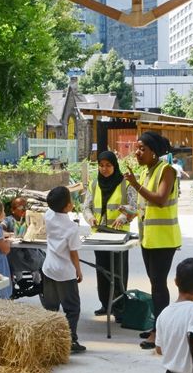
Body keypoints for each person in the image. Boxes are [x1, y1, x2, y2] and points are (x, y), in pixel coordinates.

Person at [124, 132, 182, 350]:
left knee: (159, 285)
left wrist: (135, 185)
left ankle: (160, 332)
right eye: (137, 148)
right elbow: (145, 207)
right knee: (155, 284)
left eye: (142, 149)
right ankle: (158, 326)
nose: (137, 153)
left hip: (164, 240)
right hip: (149, 239)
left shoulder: (166, 171)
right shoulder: (147, 171)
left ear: (154, 152)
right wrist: (130, 211)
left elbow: (160, 200)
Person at [82, 150, 137, 317]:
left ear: (115, 166)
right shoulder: (94, 184)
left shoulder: (125, 183)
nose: (104, 169)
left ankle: (119, 308)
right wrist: (90, 218)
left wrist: (123, 216)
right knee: (102, 270)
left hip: (119, 235)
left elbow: (134, 206)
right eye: (101, 166)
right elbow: (86, 207)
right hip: (99, 235)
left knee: (118, 272)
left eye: (108, 165)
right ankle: (105, 304)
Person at [42, 185, 85, 354]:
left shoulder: (48, 215)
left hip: (48, 269)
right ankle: (71, 340)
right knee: (72, 308)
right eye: (71, 199)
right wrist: (78, 271)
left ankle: (49, 339)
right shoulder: (71, 228)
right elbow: (74, 253)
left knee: (51, 307)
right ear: (67, 206)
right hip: (65, 272)